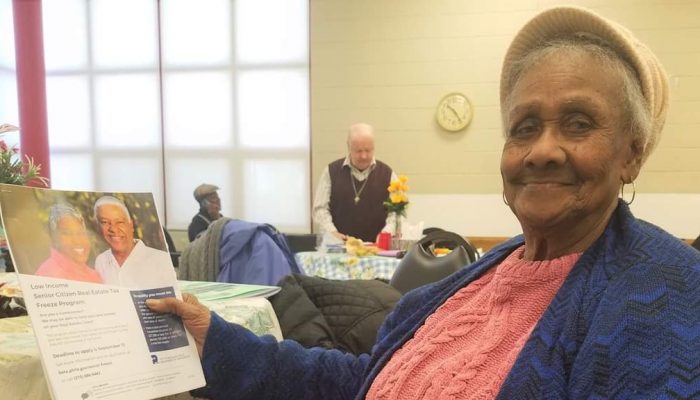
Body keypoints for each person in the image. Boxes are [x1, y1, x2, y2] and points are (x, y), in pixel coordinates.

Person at [147, 6, 700, 399]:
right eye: (524, 127)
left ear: (632, 152)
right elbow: (365, 381)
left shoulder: (665, 294)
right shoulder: (483, 276)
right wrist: (217, 340)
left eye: (578, 123)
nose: (543, 150)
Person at [312, 123, 398, 243]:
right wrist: (332, 233)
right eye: (358, 151)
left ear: (374, 147)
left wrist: (385, 234)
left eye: (368, 150)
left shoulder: (389, 174)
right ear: (348, 146)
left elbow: (395, 213)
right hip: (339, 248)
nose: (363, 156)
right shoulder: (331, 171)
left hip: (377, 250)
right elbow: (320, 209)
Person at [94, 195, 175, 288]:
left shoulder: (161, 260)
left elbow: (173, 298)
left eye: (120, 222)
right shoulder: (101, 261)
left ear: (131, 225)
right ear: (98, 227)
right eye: (105, 222)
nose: (113, 229)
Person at [35, 204, 103, 283]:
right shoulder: (49, 274)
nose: (77, 241)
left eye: (81, 233)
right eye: (67, 233)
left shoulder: (94, 275)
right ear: (54, 239)